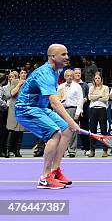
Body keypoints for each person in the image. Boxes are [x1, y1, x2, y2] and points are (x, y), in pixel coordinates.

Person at [14, 44, 80, 189]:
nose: (67, 57)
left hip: (40, 108)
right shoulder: (45, 73)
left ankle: (55, 171)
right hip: (26, 109)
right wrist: (72, 121)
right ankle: (45, 178)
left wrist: (70, 125)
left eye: (67, 54)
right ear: (52, 57)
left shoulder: (56, 71)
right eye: (63, 54)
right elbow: (54, 102)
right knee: (55, 133)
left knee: (66, 130)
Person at [57, 69, 84, 157]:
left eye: (70, 75)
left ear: (73, 77)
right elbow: (57, 99)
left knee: (73, 131)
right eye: (67, 75)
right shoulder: (60, 86)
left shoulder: (77, 86)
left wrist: (78, 112)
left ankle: (72, 150)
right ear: (64, 77)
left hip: (73, 109)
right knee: (62, 131)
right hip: (62, 109)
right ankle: (62, 151)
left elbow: (80, 100)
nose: (69, 77)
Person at [6, 69, 29, 157]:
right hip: (14, 108)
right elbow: (12, 93)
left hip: (23, 109)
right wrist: (19, 84)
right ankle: (8, 150)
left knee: (20, 131)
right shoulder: (15, 82)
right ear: (19, 75)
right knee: (12, 129)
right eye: (22, 73)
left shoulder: (28, 83)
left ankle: (17, 151)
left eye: (25, 73)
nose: (23, 74)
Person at [87, 72, 109, 157]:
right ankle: (92, 150)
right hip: (93, 110)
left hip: (102, 110)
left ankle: (105, 150)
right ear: (94, 80)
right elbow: (90, 98)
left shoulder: (106, 87)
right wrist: (100, 95)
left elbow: (106, 98)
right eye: (96, 78)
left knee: (103, 130)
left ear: (101, 79)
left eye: (99, 78)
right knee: (93, 130)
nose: (97, 80)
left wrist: (95, 96)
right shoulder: (91, 88)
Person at [73, 68, 90, 153]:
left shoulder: (85, 85)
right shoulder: (70, 85)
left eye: (79, 73)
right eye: (76, 73)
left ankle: (87, 148)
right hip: (73, 110)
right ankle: (71, 149)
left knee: (85, 129)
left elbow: (88, 96)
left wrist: (85, 100)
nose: (78, 75)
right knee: (71, 130)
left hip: (84, 110)